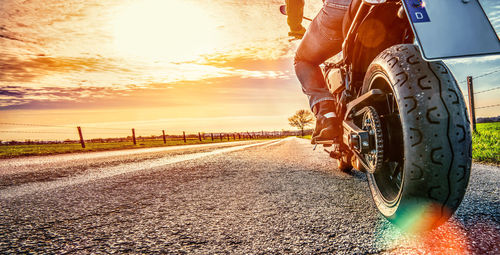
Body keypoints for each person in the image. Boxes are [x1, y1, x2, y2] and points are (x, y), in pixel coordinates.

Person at [286, 0, 359, 144]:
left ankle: (327, 115)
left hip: (342, 7)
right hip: (402, 5)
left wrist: (295, 26)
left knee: (303, 60)